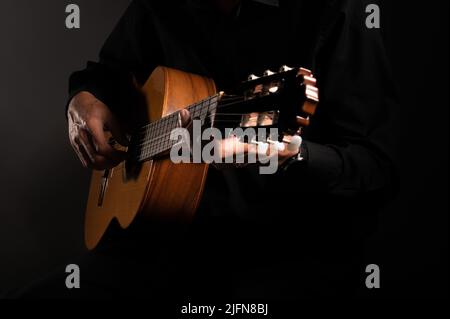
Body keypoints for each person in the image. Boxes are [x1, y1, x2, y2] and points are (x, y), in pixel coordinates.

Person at [18, 0, 397, 299]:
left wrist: (290, 156)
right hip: (155, 246)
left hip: (280, 256)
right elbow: (106, 74)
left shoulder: (336, 9)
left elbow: (374, 166)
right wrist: (82, 100)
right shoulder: (160, 6)